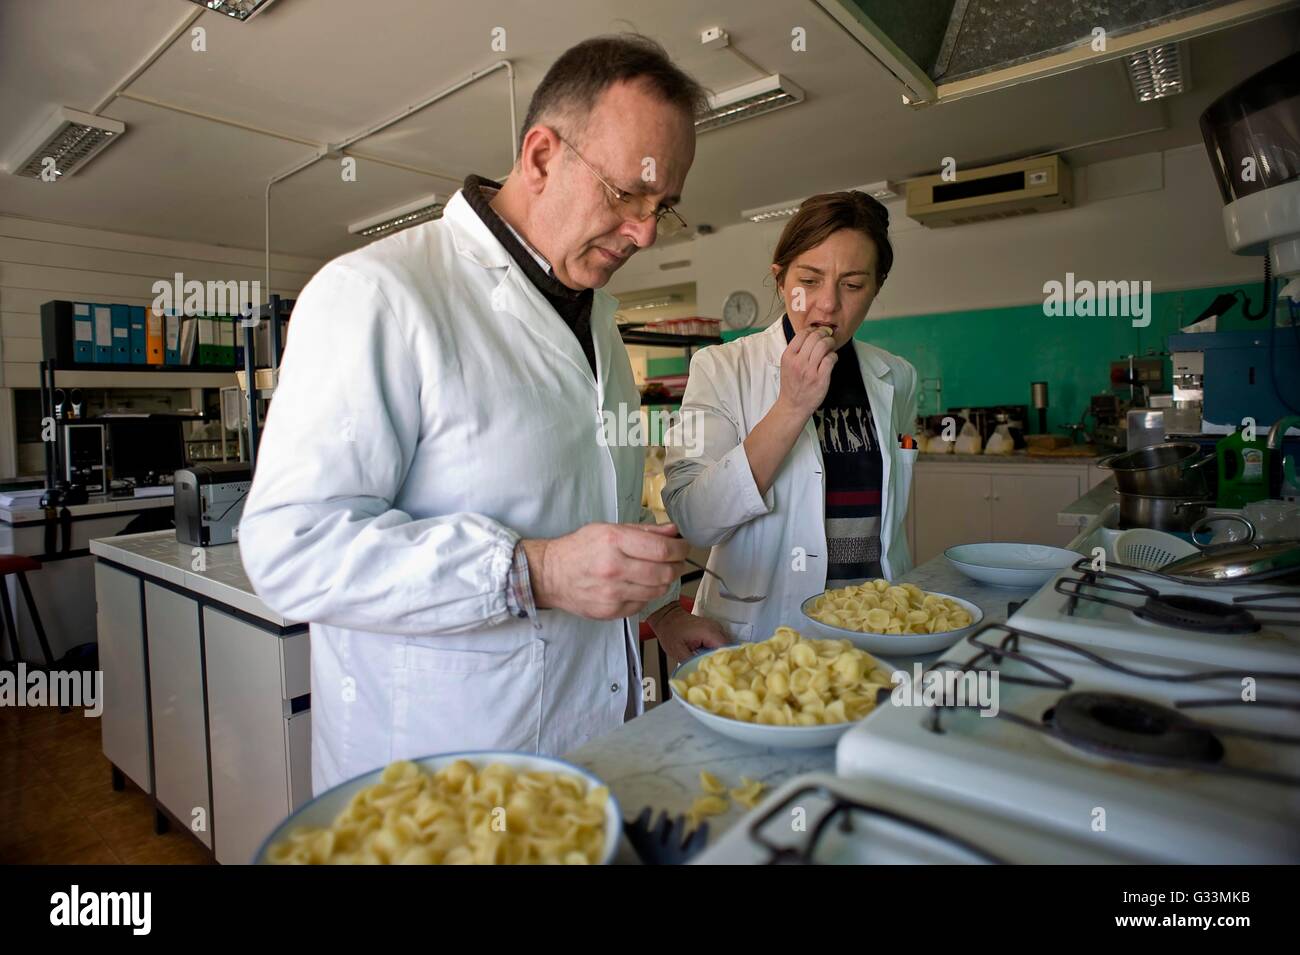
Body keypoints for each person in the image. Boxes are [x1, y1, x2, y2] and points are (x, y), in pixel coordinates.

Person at [240, 34, 727, 794]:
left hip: (588, 750)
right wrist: (530, 570)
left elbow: (579, 503)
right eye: (626, 194)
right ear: (539, 157)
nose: (644, 232)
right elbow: (288, 547)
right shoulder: (378, 294)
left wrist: (657, 607)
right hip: (438, 779)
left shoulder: (594, 315)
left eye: (662, 206)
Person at [663, 191, 919, 643]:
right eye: (810, 281)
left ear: (876, 287)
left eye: (853, 285)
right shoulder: (722, 368)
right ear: (781, 281)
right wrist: (792, 406)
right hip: (761, 635)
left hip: (873, 628)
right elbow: (695, 519)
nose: (827, 305)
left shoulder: (896, 377)